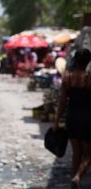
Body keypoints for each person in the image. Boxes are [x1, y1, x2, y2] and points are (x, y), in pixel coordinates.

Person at [53, 48, 91, 188]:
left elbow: (62, 102)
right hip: (87, 119)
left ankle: (74, 182)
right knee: (88, 154)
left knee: (76, 152)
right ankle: (77, 177)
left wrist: (56, 122)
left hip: (72, 118)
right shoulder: (89, 77)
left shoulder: (67, 77)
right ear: (88, 61)